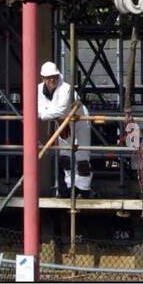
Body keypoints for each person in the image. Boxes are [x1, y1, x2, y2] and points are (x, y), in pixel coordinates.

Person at [36, 60, 93, 198]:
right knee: (65, 156)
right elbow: (39, 107)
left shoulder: (66, 88)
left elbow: (61, 111)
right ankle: (70, 186)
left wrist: (42, 114)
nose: (52, 80)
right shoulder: (38, 89)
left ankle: (83, 189)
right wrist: (46, 113)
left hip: (79, 121)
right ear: (43, 78)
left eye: (54, 76)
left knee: (82, 156)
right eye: (49, 78)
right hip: (62, 124)